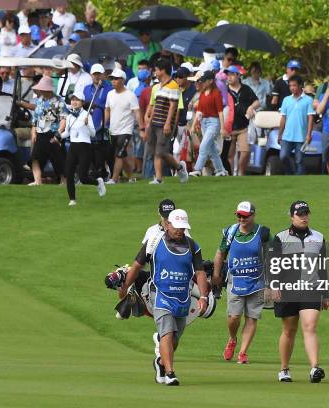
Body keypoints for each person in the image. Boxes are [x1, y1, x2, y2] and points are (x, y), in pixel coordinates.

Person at [119, 209, 209, 386]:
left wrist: (204, 297)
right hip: (160, 295)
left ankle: (160, 363)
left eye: (183, 228)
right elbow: (136, 267)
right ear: (168, 225)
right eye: (177, 227)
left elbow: (199, 273)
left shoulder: (192, 246)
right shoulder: (153, 242)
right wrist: (124, 287)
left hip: (183, 298)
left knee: (174, 339)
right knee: (167, 332)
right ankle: (170, 373)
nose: (180, 231)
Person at [271, 200, 327, 383]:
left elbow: (323, 267)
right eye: (300, 214)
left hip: (310, 289)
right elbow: (273, 265)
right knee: (289, 330)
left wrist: (325, 293)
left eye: (306, 213)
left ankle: (314, 368)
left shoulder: (318, 237)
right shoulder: (281, 237)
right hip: (288, 289)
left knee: (310, 326)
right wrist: (274, 285)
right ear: (292, 216)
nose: (304, 217)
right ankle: (284, 369)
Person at [213, 201, 270, 364]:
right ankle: (232, 339)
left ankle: (243, 352)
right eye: (239, 215)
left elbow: (272, 257)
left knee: (252, 317)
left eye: (245, 216)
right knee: (233, 316)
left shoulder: (263, 233)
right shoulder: (230, 232)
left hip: (257, 281)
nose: (241, 219)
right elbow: (220, 253)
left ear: (253, 215)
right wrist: (216, 274)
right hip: (235, 281)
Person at [144, 58, 188, 184]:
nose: (155, 72)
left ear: (163, 70)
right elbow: (155, 106)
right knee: (155, 152)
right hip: (154, 123)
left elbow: (173, 106)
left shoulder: (173, 85)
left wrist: (168, 123)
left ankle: (177, 168)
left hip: (164, 124)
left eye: (157, 70)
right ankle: (159, 178)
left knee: (161, 151)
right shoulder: (158, 87)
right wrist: (148, 125)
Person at [59, 90, 105, 206]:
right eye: (73, 99)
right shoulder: (69, 116)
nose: (74, 102)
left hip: (84, 147)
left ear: (82, 102)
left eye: (77, 100)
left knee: (83, 177)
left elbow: (93, 134)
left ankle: (98, 182)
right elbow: (67, 133)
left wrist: (87, 125)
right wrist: (58, 137)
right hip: (73, 147)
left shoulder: (87, 115)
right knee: (68, 173)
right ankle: (72, 199)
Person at [105, 67, 143, 184]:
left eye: (116, 79)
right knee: (123, 155)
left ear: (123, 80)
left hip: (126, 130)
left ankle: (114, 178)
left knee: (119, 155)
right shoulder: (110, 94)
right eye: (112, 79)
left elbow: (137, 112)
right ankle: (131, 177)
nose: (113, 81)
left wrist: (142, 128)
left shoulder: (130, 95)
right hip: (113, 130)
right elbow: (107, 109)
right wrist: (104, 123)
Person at [188, 70, 227, 177]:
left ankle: (197, 169)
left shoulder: (216, 93)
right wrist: (193, 125)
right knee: (212, 149)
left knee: (204, 146)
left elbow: (220, 111)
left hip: (214, 122)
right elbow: (199, 111)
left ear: (210, 81)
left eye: (204, 81)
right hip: (204, 122)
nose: (202, 83)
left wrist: (222, 128)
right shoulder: (202, 94)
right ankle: (220, 170)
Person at [29, 76, 66, 186]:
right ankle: (37, 180)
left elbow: (63, 118)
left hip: (53, 134)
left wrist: (59, 132)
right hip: (40, 134)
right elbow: (35, 118)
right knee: (35, 158)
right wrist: (33, 131)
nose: (41, 91)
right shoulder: (40, 100)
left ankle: (64, 181)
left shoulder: (59, 101)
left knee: (59, 159)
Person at [225, 65, 259, 176]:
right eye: (228, 74)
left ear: (238, 75)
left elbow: (257, 102)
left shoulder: (246, 89)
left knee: (245, 151)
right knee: (229, 155)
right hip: (229, 128)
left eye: (232, 74)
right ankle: (230, 175)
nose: (229, 77)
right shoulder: (224, 90)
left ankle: (241, 173)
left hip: (243, 127)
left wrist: (251, 107)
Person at [277, 75, 314, 175]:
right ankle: (290, 173)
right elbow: (283, 118)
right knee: (283, 156)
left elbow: (310, 118)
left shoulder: (308, 100)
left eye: (294, 85)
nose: (292, 88)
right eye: (290, 86)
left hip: (301, 136)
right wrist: (280, 134)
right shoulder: (286, 100)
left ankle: (299, 180)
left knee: (299, 160)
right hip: (287, 135)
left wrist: (309, 134)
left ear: (300, 86)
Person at [83, 63, 112, 180]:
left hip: (104, 124)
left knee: (105, 151)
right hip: (90, 124)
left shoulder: (109, 89)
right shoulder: (86, 89)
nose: (96, 77)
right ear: (91, 75)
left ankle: (108, 174)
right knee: (91, 151)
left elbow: (109, 107)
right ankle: (96, 173)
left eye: (99, 74)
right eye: (94, 74)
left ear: (103, 75)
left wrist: (98, 105)